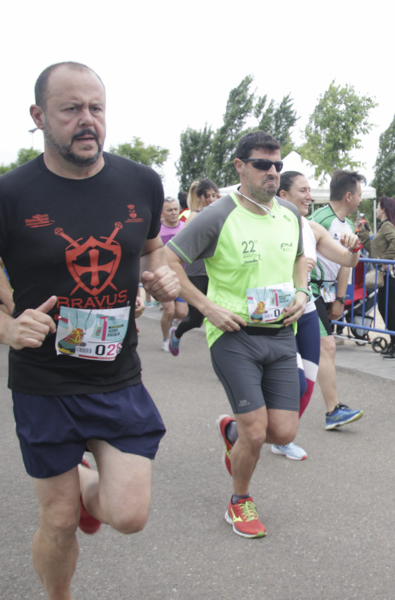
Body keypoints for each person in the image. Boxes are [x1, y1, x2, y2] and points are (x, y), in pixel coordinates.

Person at [0, 61, 178, 600]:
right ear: (39, 116)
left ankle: (88, 480)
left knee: (130, 515)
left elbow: (150, 249)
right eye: (71, 110)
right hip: (44, 381)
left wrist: (160, 281)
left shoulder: (140, 181)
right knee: (60, 519)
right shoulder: (7, 195)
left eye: (96, 108)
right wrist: (5, 325)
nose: (87, 121)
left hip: (117, 376)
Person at [165, 131, 310, 538]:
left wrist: (302, 291)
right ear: (240, 167)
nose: (272, 172)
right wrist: (208, 308)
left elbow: (300, 258)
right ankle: (239, 500)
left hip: (281, 333)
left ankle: (231, 429)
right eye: (262, 164)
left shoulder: (288, 212)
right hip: (234, 335)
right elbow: (168, 260)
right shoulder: (218, 214)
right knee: (257, 432)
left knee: (283, 432)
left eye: (277, 165)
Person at [273, 170, 362, 460]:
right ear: (283, 195)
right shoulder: (267, 227)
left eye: (310, 190)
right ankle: (251, 430)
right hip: (274, 311)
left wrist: (355, 247)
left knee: (307, 375)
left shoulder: (313, 229)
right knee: (280, 377)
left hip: (307, 305)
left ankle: (285, 435)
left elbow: (347, 259)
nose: (310, 196)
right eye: (303, 190)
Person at [309, 170, 367, 429]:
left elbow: (346, 265)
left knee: (320, 350)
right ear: (348, 195)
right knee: (327, 347)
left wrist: (340, 299)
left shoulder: (349, 226)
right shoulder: (320, 219)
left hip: (326, 293)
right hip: (307, 289)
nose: (361, 199)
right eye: (360, 194)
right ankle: (333, 410)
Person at [168, 177, 220, 355]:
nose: (212, 199)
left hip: (215, 272)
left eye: (214, 195)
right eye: (208, 196)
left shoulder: (218, 215)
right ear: (199, 197)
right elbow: (182, 243)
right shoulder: (194, 216)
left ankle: (227, 357)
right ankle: (177, 333)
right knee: (196, 319)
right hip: (196, 272)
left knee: (220, 313)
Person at [366, 196, 395, 358]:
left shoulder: (387, 225)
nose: (376, 209)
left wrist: (386, 260)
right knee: (384, 308)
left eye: (377, 207)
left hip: (391, 273)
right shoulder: (384, 226)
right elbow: (374, 249)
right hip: (387, 274)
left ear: (383, 209)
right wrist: (363, 232)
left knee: (390, 310)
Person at [157, 198, 188, 352]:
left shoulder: (184, 228)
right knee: (169, 310)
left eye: (176, 209)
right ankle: (165, 339)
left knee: (182, 312)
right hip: (163, 276)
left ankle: (171, 327)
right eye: (170, 210)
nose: (174, 213)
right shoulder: (158, 230)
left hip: (181, 276)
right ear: (163, 213)